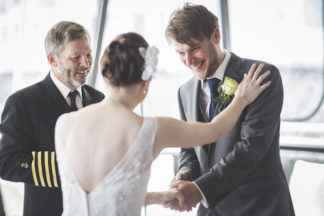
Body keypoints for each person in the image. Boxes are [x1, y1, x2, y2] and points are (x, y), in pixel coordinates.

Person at [54, 32, 270, 216]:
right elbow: (214, 131)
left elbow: (100, 198)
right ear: (146, 81)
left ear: (104, 73)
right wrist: (241, 99)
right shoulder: (149, 130)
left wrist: (158, 197)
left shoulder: (64, 124)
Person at [163, 3, 295, 216]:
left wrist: (199, 190)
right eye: (180, 52)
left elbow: (251, 148)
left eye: (195, 48)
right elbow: (189, 149)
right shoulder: (185, 92)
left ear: (216, 36)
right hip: (211, 210)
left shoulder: (260, 76)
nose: (188, 61)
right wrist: (185, 174)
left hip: (260, 207)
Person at [0, 21, 105, 216]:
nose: (86, 63)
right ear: (52, 60)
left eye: (88, 55)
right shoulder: (23, 103)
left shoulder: (99, 99)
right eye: (76, 57)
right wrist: (70, 169)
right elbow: (6, 162)